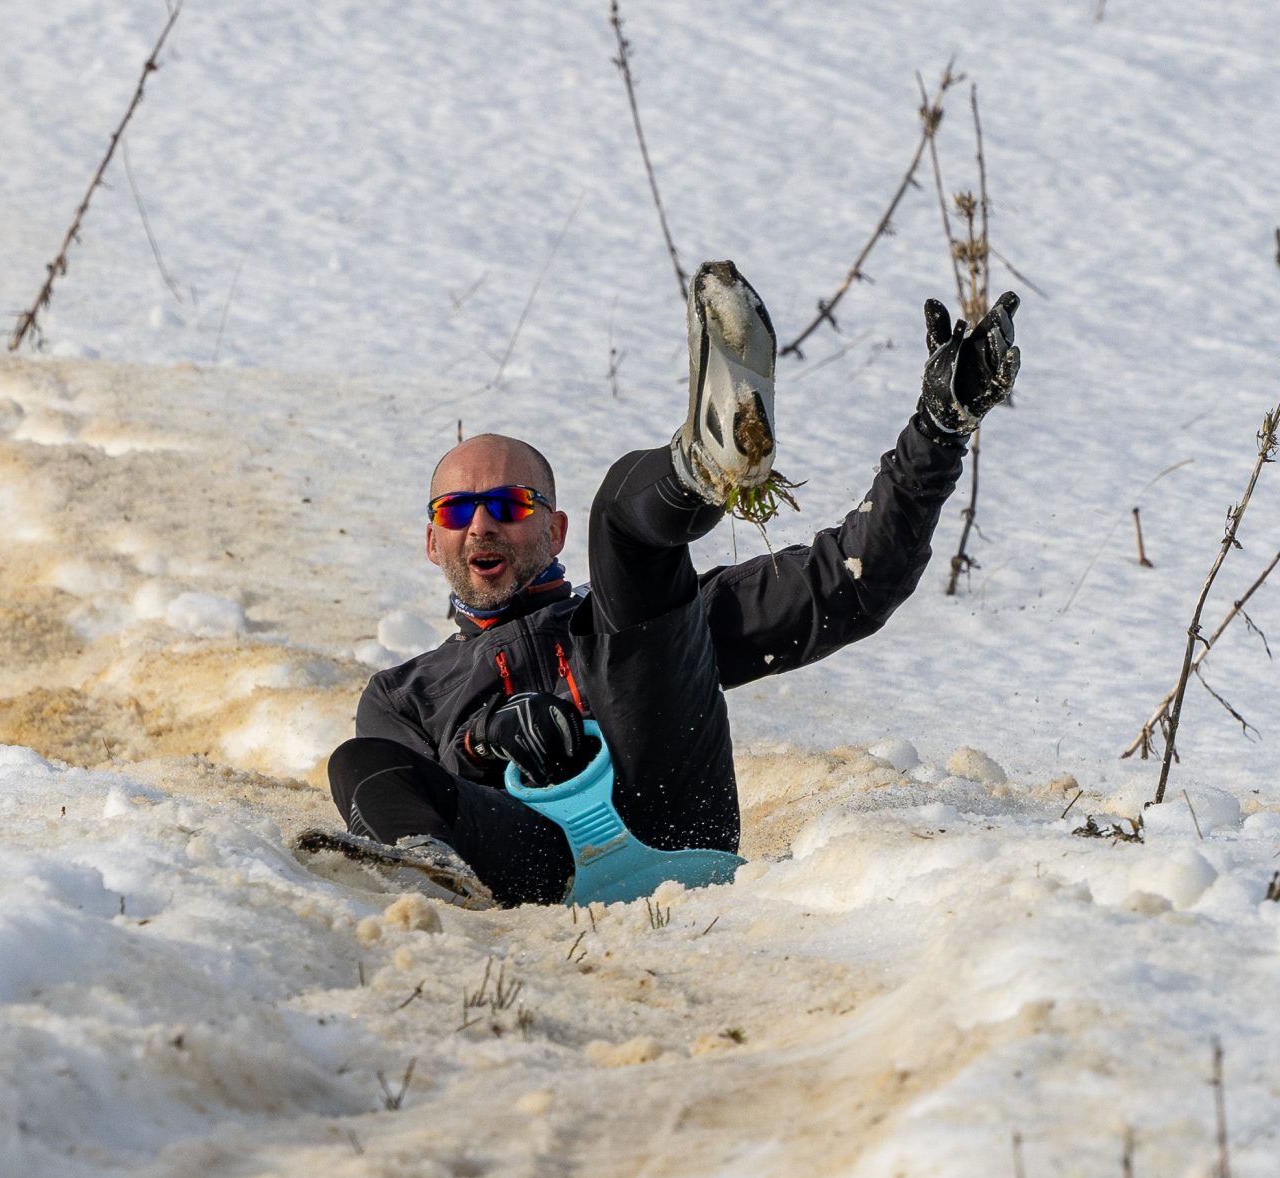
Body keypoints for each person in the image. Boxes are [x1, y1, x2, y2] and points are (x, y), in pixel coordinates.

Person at [326, 262, 1022, 905]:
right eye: (456, 511)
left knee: (623, 533)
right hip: (530, 862)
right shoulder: (405, 695)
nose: (481, 525)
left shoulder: (652, 619)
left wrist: (936, 435)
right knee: (362, 762)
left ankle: (704, 464)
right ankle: (431, 878)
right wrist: (485, 741)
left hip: (673, 829)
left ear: (554, 531)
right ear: (432, 540)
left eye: (510, 506)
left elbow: (854, 581)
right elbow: (407, 790)